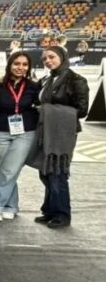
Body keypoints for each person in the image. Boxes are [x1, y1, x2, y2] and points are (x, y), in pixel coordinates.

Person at [32, 46, 89, 229]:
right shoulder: (46, 80)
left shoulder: (76, 80)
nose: (48, 61)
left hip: (63, 132)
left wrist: (47, 110)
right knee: (45, 171)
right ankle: (49, 210)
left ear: (62, 57)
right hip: (45, 130)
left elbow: (82, 110)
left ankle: (62, 214)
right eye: (44, 59)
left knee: (57, 172)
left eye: (51, 57)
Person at [0, 51, 40, 222]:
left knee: (10, 170)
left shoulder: (34, 87)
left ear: (29, 67)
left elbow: (40, 107)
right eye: (16, 64)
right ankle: (11, 206)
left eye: (24, 64)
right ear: (9, 65)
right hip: (0, 132)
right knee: (4, 170)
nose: (20, 67)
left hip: (25, 133)